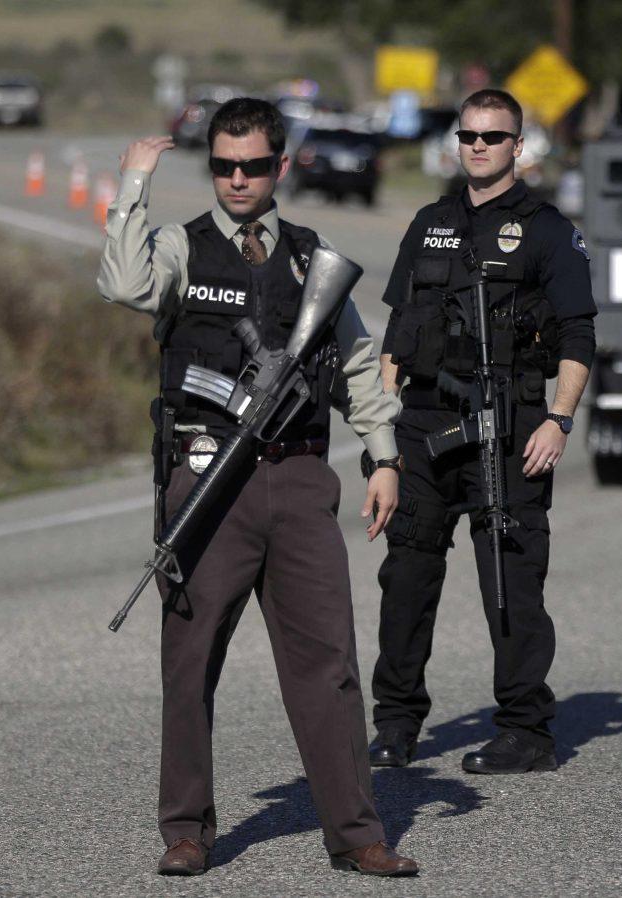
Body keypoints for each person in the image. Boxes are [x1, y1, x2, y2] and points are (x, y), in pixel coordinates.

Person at [96, 98, 417, 878]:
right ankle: (187, 829)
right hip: (207, 477)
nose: (237, 179)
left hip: (301, 479)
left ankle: (356, 833)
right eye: (223, 166)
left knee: (329, 664)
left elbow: (354, 366)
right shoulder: (180, 246)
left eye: (252, 165)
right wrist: (133, 183)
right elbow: (125, 284)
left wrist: (383, 458)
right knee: (190, 659)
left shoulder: (313, 257)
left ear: (280, 166)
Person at [368, 89, 596, 775]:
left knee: (510, 579)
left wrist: (559, 420)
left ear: (517, 146)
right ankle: (396, 725)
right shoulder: (430, 223)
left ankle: (526, 730)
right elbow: (395, 337)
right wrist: (384, 436)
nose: (477, 146)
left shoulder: (548, 230)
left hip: (511, 428)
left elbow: (579, 332)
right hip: (425, 424)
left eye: (492, 137)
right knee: (406, 577)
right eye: (467, 134)